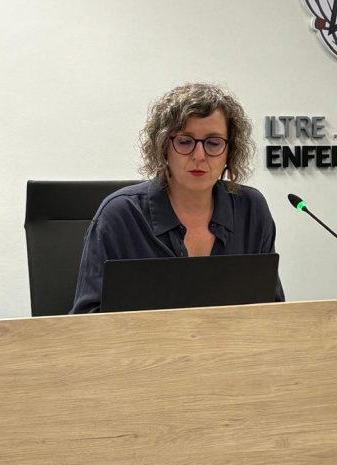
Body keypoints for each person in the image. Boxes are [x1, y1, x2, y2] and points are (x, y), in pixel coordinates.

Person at [70, 82, 283, 313]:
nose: (199, 156)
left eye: (213, 143)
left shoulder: (251, 209)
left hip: (233, 337)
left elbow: (272, 311)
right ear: (163, 147)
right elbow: (86, 319)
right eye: (185, 141)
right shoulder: (119, 216)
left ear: (230, 151)